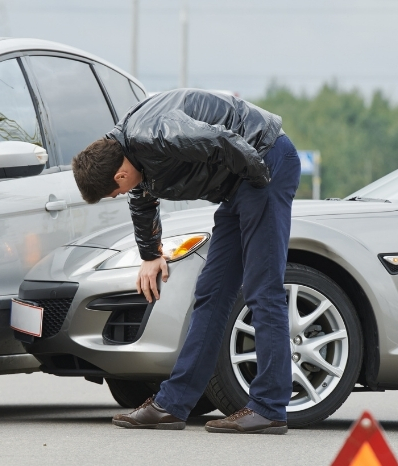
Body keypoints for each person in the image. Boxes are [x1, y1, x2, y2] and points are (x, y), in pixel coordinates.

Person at [71, 89, 301, 434]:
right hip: (241, 184)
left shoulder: (157, 134)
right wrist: (150, 255)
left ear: (119, 175)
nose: (120, 195)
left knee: (261, 287)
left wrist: (260, 183)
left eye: (113, 192)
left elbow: (222, 140)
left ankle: (269, 407)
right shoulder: (129, 151)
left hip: (264, 165)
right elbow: (143, 199)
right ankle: (173, 405)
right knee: (211, 292)